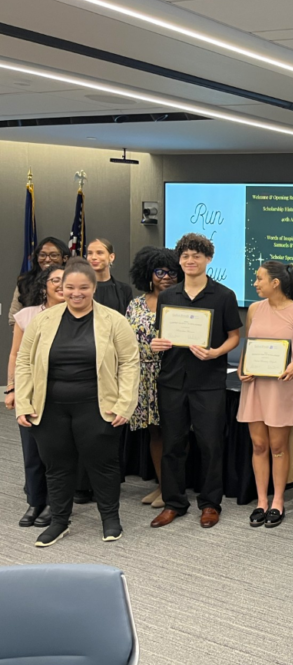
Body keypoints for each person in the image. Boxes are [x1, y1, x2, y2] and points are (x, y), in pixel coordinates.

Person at [15, 257, 139, 547]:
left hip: (98, 407)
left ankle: (110, 518)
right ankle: (59, 522)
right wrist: (23, 402)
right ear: (60, 287)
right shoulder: (43, 321)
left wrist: (125, 405)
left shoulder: (114, 321)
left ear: (94, 287)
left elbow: (131, 364)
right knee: (57, 467)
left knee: (103, 465)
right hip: (50, 409)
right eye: (69, 287)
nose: (76, 292)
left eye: (83, 287)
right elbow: (24, 361)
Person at [150, 233, 242, 530]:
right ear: (180, 260)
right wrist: (156, 344)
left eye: (197, 256)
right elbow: (160, 335)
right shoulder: (168, 296)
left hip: (208, 381)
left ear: (208, 259)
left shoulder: (224, 295)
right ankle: (174, 502)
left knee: (210, 444)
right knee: (173, 444)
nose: (191, 261)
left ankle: (210, 504)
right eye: (186, 256)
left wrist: (215, 352)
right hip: (172, 379)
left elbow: (234, 337)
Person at [239, 261, 293, 529]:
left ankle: (278, 501)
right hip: (255, 385)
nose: (255, 283)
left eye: (259, 279)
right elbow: (250, 345)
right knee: (258, 445)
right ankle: (261, 500)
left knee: (278, 447)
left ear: (276, 283)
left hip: (282, 386)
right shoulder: (254, 309)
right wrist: (242, 369)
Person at [6, 265, 64, 528]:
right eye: (56, 280)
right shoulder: (26, 316)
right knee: (31, 451)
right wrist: (11, 389)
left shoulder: (77, 316)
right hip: (29, 393)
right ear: (44, 285)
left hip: (61, 394)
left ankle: (56, 503)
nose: (62, 285)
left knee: (56, 452)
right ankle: (35, 501)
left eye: (67, 280)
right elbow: (15, 355)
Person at [126, 247, 181, 510]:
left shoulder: (182, 303)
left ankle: (172, 489)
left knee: (174, 434)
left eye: (172, 272)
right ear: (149, 273)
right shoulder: (135, 304)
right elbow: (125, 341)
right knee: (154, 434)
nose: (166, 277)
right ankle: (161, 485)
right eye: (160, 271)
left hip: (171, 374)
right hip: (143, 376)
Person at [9, 237, 69, 327]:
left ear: (64, 258)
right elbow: (14, 318)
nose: (47, 259)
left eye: (53, 255)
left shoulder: (73, 281)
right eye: (42, 255)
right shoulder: (24, 282)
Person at [86, 238, 133, 313]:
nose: (93, 257)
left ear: (111, 257)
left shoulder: (124, 290)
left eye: (99, 253)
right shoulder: (81, 288)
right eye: (90, 253)